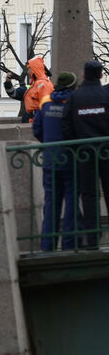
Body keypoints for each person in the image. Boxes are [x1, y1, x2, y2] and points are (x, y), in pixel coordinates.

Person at [62, 60, 109, 247]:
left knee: (89, 196)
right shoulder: (106, 95)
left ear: (83, 75)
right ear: (100, 75)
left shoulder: (75, 97)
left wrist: (76, 146)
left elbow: (66, 125)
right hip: (106, 151)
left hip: (84, 153)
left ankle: (92, 239)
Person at [33, 71, 78, 251]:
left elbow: (37, 129)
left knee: (51, 203)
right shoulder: (73, 102)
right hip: (72, 160)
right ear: (72, 86)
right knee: (72, 203)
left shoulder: (46, 101)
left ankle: (47, 246)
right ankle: (69, 245)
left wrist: (49, 144)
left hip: (50, 160)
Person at [23, 55, 54, 122]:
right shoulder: (36, 83)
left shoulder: (43, 84)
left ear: (35, 69)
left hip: (39, 120)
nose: (28, 72)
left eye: (29, 69)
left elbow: (46, 106)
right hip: (35, 119)